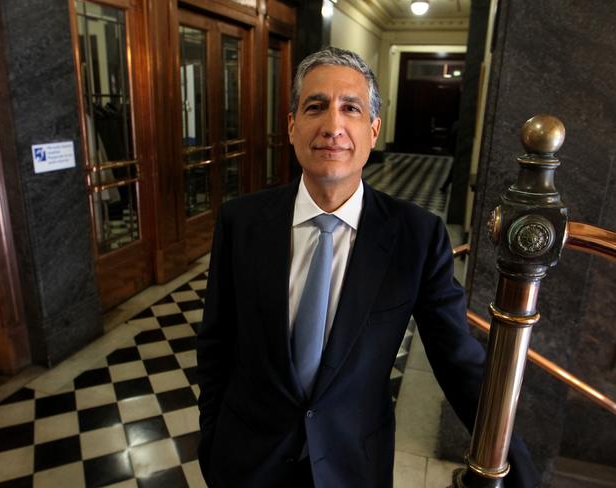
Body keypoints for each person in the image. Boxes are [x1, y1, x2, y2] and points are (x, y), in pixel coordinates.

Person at [197, 47, 539, 488]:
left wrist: (520, 469)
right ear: (291, 125)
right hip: (246, 460)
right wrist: (211, 439)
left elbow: (459, 362)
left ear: (373, 129)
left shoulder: (416, 236)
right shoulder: (241, 221)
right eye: (315, 106)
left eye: (351, 109)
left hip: (351, 462)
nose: (333, 126)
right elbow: (216, 343)